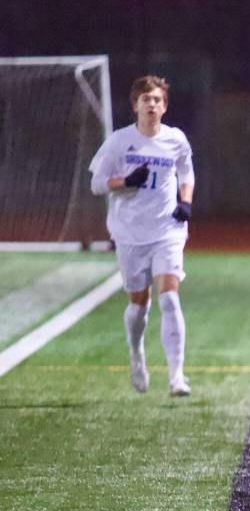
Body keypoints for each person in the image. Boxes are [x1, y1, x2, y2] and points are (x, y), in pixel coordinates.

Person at [89, 75, 194, 396]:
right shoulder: (119, 142)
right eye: (146, 99)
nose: (152, 104)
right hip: (130, 234)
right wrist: (124, 181)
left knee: (169, 297)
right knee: (139, 303)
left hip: (167, 231)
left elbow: (187, 173)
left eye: (157, 100)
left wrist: (185, 202)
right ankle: (137, 357)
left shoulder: (176, 139)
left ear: (164, 106)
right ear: (135, 105)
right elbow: (96, 184)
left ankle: (177, 377)